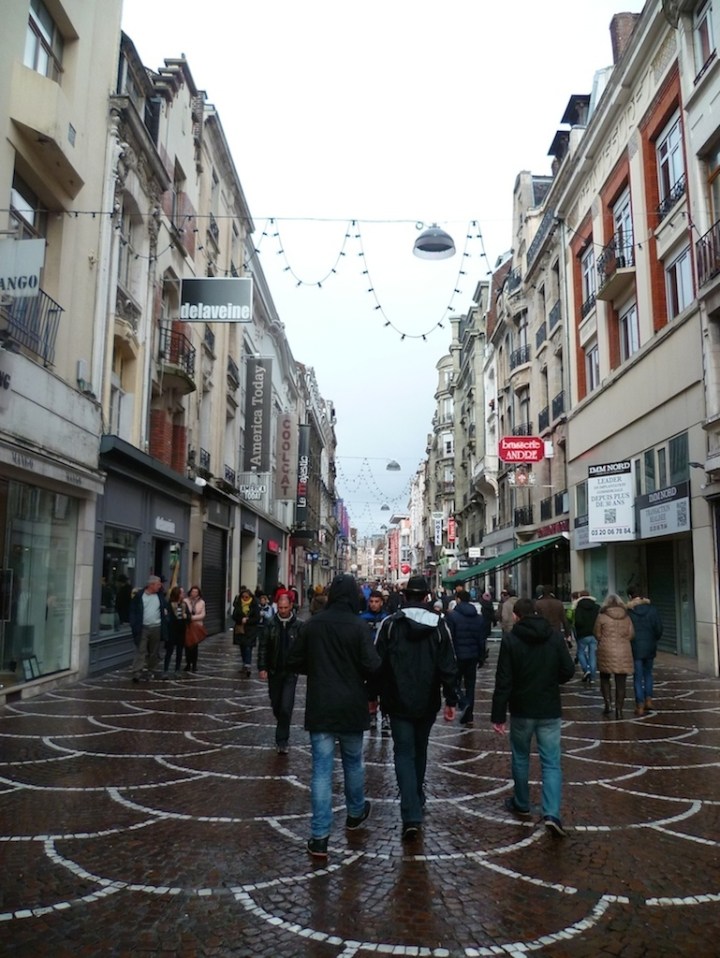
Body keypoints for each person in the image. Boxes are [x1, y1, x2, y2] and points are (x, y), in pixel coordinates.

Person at [286, 573, 381, 860]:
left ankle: (319, 837)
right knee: (353, 763)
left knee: (322, 771)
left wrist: (316, 669)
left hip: (322, 705)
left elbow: (292, 659)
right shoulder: (359, 626)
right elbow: (373, 666)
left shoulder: (313, 624)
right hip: (352, 706)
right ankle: (354, 813)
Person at [374, 575, 458, 841]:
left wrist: (372, 695)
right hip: (427, 700)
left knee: (403, 753)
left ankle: (410, 811)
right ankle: (416, 800)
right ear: (425, 597)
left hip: (396, 700)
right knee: (419, 750)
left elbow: (377, 664)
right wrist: (451, 699)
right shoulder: (439, 626)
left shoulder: (390, 625)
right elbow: (448, 665)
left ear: (405, 596)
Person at [491, 597, 575, 837]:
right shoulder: (555, 637)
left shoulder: (511, 639)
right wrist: (552, 681)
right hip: (549, 708)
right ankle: (552, 812)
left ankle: (522, 801)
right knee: (551, 762)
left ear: (516, 616)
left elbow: (504, 680)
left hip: (522, 708)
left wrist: (498, 715)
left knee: (520, 757)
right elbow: (568, 670)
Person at [258, 593, 301, 754]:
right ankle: (282, 722)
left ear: (290, 606)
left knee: (286, 706)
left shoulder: (298, 625)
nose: (282, 610)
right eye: (280, 608)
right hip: (274, 670)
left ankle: (282, 740)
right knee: (276, 703)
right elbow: (263, 647)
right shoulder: (270, 624)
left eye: (285, 607)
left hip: (291, 672)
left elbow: (303, 647)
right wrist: (262, 667)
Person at [446, 589, 485, 727]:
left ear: (458, 599)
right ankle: (469, 716)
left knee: (453, 682)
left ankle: (463, 703)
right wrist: (481, 657)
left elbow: (449, 638)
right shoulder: (478, 617)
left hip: (457, 656)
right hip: (473, 656)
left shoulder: (452, 616)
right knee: (470, 685)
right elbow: (481, 639)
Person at [594, 593, 634, 719]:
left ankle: (608, 704)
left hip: (606, 649)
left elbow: (597, 633)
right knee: (621, 682)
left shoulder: (602, 616)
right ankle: (619, 710)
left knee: (605, 678)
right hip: (623, 651)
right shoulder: (626, 616)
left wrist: (605, 640)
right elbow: (631, 634)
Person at [626, 586, 663, 716]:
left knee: (637, 676)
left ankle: (639, 705)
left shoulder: (629, 612)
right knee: (648, 674)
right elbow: (659, 628)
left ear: (630, 597)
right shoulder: (652, 610)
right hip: (650, 646)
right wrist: (654, 639)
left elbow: (627, 631)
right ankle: (649, 700)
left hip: (635, 647)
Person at [129, 574, 171, 682]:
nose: (160, 586)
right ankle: (137, 672)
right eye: (158, 585)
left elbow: (165, 608)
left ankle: (150, 669)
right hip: (143, 627)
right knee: (141, 649)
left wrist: (166, 615)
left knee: (154, 651)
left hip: (156, 627)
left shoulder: (160, 596)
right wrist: (134, 624)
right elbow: (133, 611)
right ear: (151, 585)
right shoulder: (139, 596)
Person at [360, 589, 389, 729]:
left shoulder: (387, 618)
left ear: (382, 602)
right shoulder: (362, 618)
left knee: (385, 690)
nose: (373, 604)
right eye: (371, 601)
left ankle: (385, 717)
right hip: (368, 660)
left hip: (384, 660)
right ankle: (371, 716)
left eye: (376, 602)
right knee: (370, 691)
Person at [232, 587, 261, 677]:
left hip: (251, 630)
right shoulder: (238, 604)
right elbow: (234, 616)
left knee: (248, 647)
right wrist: (241, 619)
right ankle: (244, 663)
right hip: (241, 629)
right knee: (242, 647)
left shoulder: (254, 604)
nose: (244, 598)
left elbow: (257, 618)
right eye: (243, 597)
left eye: (246, 597)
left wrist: (248, 620)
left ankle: (247, 665)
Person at [573, 590, 600, 684]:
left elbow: (578, 622)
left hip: (582, 634)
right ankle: (593, 677)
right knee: (593, 655)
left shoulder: (578, 608)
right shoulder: (596, 607)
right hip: (594, 634)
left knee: (580, 652)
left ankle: (586, 669)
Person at [164, 585, 189, 675]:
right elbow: (167, 618)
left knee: (179, 651)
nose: (183, 594)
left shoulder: (184, 605)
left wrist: (186, 617)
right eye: (181, 593)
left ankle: (177, 669)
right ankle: (165, 670)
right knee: (169, 651)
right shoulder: (169, 605)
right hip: (172, 631)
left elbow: (188, 616)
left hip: (181, 631)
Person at [184, 584, 206, 673]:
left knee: (194, 646)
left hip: (197, 626)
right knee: (187, 645)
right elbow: (183, 613)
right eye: (193, 591)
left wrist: (191, 618)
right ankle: (188, 663)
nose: (194, 593)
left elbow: (203, 615)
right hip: (188, 626)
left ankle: (194, 664)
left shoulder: (202, 602)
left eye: (196, 592)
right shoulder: (185, 601)